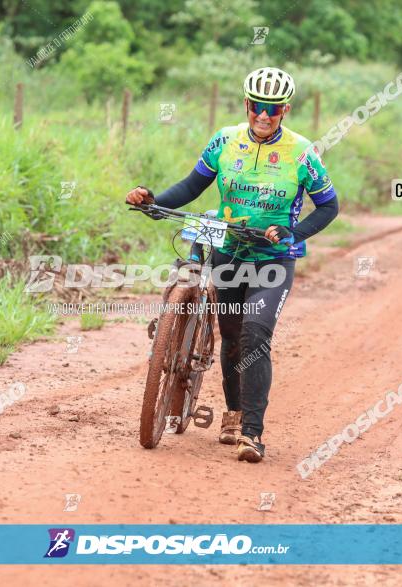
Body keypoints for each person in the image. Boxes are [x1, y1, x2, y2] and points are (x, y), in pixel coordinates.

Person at [125, 67, 339, 463]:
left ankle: (253, 434)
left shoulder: (303, 152)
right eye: (257, 106)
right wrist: (155, 203)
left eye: (272, 109)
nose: (264, 115)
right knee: (232, 337)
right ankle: (234, 413)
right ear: (246, 105)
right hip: (229, 252)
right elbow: (192, 186)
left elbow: (329, 205)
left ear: (285, 110)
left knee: (256, 333)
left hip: (272, 259)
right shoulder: (224, 140)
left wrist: (296, 233)